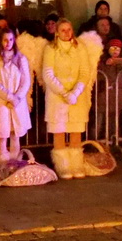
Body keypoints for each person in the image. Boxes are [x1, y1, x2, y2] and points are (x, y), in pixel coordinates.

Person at [39, 16, 102, 178]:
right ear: (57, 33)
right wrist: (64, 92)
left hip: (77, 96)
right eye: (63, 30)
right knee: (59, 132)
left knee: (75, 131)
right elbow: (48, 73)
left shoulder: (80, 48)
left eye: (69, 29)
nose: (67, 33)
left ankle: (75, 164)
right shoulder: (50, 49)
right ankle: (63, 166)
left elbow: (85, 72)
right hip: (57, 96)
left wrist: (75, 92)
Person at [0, 27, 34, 168]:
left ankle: (15, 164)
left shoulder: (20, 58)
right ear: (0, 40)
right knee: (2, 134)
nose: (8, 43)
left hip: (17, 102)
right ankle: (3, 165)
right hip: (1, 102)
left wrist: (17, 97)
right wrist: (9, 97)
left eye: (11, 39)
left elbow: (26, 80)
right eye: (5, 40)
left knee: (15, 133)